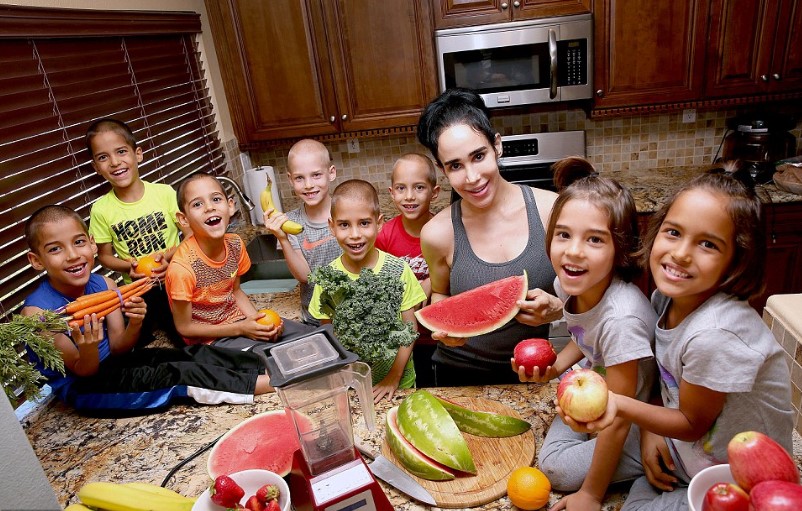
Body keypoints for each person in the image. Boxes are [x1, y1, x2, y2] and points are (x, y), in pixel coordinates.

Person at [574, 165, 794, 510]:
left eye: (707, 244)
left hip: (737, 480)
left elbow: (692, 423)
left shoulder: (715, 334)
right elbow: (668, 383)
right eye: (674, 233)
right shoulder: (668, 298)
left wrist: (619, 404)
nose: (680, 254)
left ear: (737, 260)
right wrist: (651, 429)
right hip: (687, 451)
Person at [21, 205, 273, 412]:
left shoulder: (104, 284)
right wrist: (87, 348)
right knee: (178, 373)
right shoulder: (38, 316)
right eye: (55, 249)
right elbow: (83, 370)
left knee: (189, 354)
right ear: (36, 260)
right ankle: (265, 383)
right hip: (87, 388)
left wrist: (136, 322)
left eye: (78, 243)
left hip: (116, 362)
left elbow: (120, 346)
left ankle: (268, 364)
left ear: (92, 244)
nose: (72, 255)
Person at [511, 158, 656, 511]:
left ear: (619, 248)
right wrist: (556, 368)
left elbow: (619, 416)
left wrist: (591, 494)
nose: (573, 250)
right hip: (599, 394)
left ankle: (645, 468)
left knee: (554, 469)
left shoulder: (621, 320)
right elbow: (583, 333)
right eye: (564, 234)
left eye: (594, 239)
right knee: (555, 422)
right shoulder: (569, 283)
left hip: (634, 417)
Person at [417, 87, 563, 386]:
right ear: (442, 170)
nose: (472, 177)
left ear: (497, 145)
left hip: (532, 374)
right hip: (456, 377)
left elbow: (588, 297)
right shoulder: (437, 234)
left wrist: (559, 309)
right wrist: (446, 331)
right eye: (455, 165)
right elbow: (441, 294)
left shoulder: (552, 211)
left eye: (478, 156)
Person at [165, 173, 314, 351]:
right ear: (183, 219)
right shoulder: (182, 269)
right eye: (197, 204)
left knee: (311, 336)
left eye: (215, 199)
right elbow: (185, 328)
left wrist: (261, 324)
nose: (209, 207)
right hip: (211, 341)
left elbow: (235, 291)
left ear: (230, 206)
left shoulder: (235, 244)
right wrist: (240, 329)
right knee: (270, 357)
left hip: (239, 322)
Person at [308, 179, 426, 402]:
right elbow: (328, 334)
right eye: (344, 225)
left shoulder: (398, 270)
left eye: (364, 223)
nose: (355, 234)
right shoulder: (326, 279)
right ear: (331, 226)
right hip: (350, 382)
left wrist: (394, 376)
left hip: (398, 382)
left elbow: (410, 327)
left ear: (379, 223)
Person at [86, 118, 185, 348]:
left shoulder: (164, 193)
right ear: (96, 167)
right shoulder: (101, 210)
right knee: (135, 348)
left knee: (186, 338)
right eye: (103, 157)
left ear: (138, 154)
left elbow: (190, 237)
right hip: (138, 292)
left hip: (176, 282)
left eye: (121, 151)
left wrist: (167, 259)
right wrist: (127, 266)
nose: (114, 162)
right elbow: (104, 256)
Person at [376, 153, 441, 387]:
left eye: (419, 187)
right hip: (402, 340)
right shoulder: (384, 237)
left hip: (439, 337)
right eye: (401, 188)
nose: (409, 196)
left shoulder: (444, 229)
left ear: (435, 192)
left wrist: (432, 281)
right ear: (391, 192)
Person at [264, 139, 341, 326]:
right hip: (315, 317)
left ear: (331, 173)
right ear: (290, 179)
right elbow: (304, 276)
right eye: (299, 178)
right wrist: (283, 239)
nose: (308, 185)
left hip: (354, 312)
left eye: (316, 175)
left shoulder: (348, 211)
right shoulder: (290, 223)